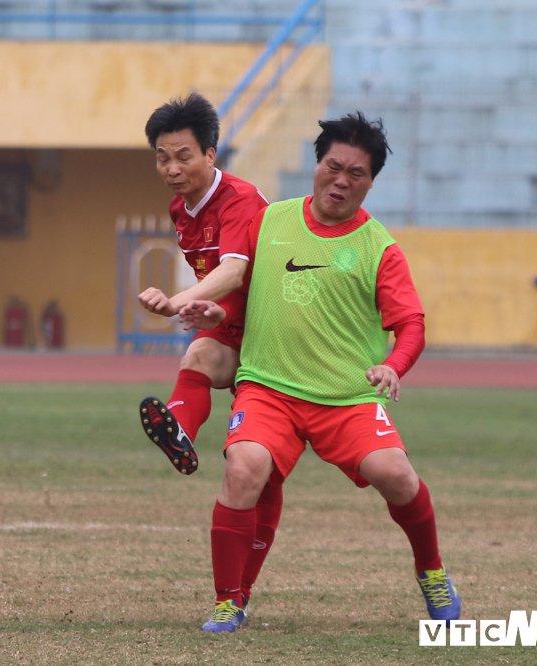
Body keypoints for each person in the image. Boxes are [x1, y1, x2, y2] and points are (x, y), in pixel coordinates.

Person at [169, 112, 460, 632]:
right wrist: (215, 314)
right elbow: (239, 289)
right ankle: (229, 601)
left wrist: (393, 366)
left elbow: (411, 323)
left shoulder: (379, 247)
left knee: (396, 475)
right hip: (268, 388)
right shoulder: (269, 221)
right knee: (245, 469)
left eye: (356, 173)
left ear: (370, 182)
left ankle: (432, 571)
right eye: (334, 166)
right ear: (317, 164)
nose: (341, 180)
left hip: (346, 397)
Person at [137, 93, 269, 476]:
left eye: (183, 157)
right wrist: (211, 311)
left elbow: (233, 272)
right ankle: (179, 432)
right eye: (163, 158)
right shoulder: (179, 208)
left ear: (210, 155)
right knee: (196, 357)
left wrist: (176, 303)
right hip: (229, 324)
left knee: (255, 457)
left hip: (270, 332)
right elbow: (214, 278)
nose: (172, 169)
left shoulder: (239, 199)